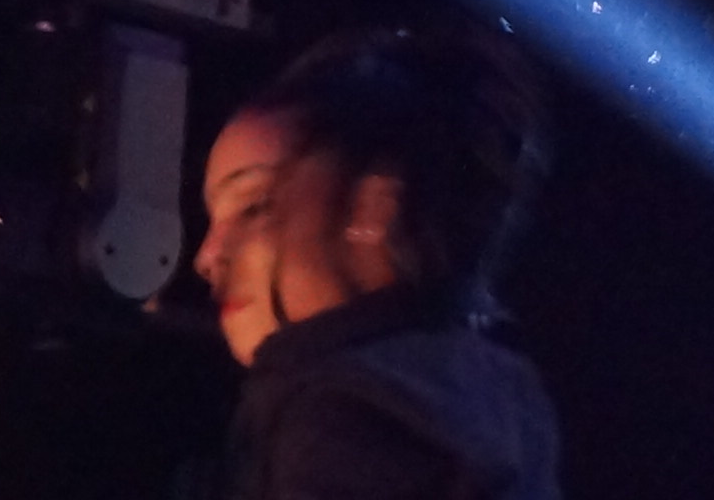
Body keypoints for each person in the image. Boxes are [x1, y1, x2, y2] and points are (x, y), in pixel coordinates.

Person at [191, 25, 565, 500]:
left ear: (373, 209)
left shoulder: (345, 416)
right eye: (214, 219)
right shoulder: (502, 398)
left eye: (255, 207)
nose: (208, 257)